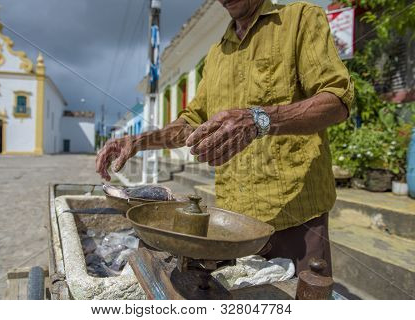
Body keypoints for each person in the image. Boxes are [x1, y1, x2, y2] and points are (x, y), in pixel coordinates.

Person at [96, 0, 354, 276]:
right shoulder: (217, 54)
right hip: (234, 225)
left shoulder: (300, 19)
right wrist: (140, 141)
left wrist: (258, 120)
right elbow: (191, 122)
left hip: (297, 222)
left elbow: (337, 100)